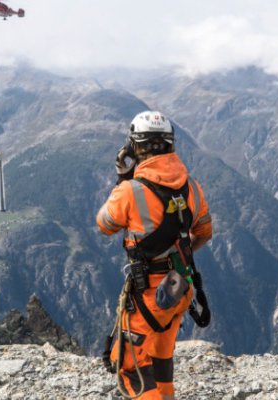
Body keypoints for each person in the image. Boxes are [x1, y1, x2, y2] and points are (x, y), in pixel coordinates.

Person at [96, 111, 213, 399]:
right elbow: (204, 232)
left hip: (149, 291)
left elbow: (105, 225)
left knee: (128, 366)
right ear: (170, 144)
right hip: (179, 288)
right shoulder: (191, 187)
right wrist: (179, 257)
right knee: (161, 354)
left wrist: (122, 179)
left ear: (134, 146)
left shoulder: (129, 191)